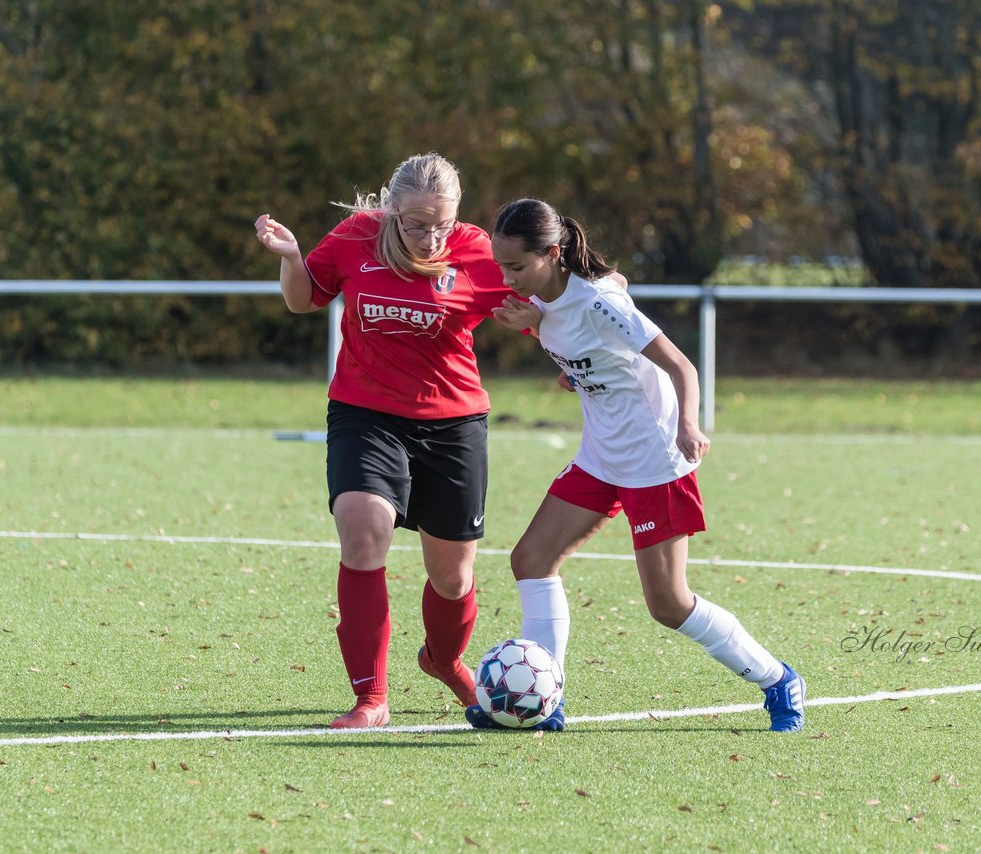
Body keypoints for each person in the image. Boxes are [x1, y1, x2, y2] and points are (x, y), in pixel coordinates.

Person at [472, 198, 807, 733]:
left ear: (553, 253)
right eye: (502, 267)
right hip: (601, 456)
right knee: (531, 560)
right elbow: (600, 310)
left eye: (517, 266)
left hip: (654, 460)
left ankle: (777, 679)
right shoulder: (544, 297)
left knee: (669, 604)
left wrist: (689, 425)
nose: (509, 278)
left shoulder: (600, 302)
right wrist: (552, 342)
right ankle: (544, 700)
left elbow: (680, 365)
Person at [254, 153, 514, 729]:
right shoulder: (356, 236)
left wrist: (585, 303)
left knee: (453, 577)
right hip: (364, 413)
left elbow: (541, 303)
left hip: (454, 422)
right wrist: (293, 257)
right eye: (417, 223)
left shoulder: (477, 251)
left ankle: (442, 661)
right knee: (362, 526)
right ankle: (371, 698)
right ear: (392, 210)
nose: (430, 236)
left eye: (440, 224)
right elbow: (303, 299)